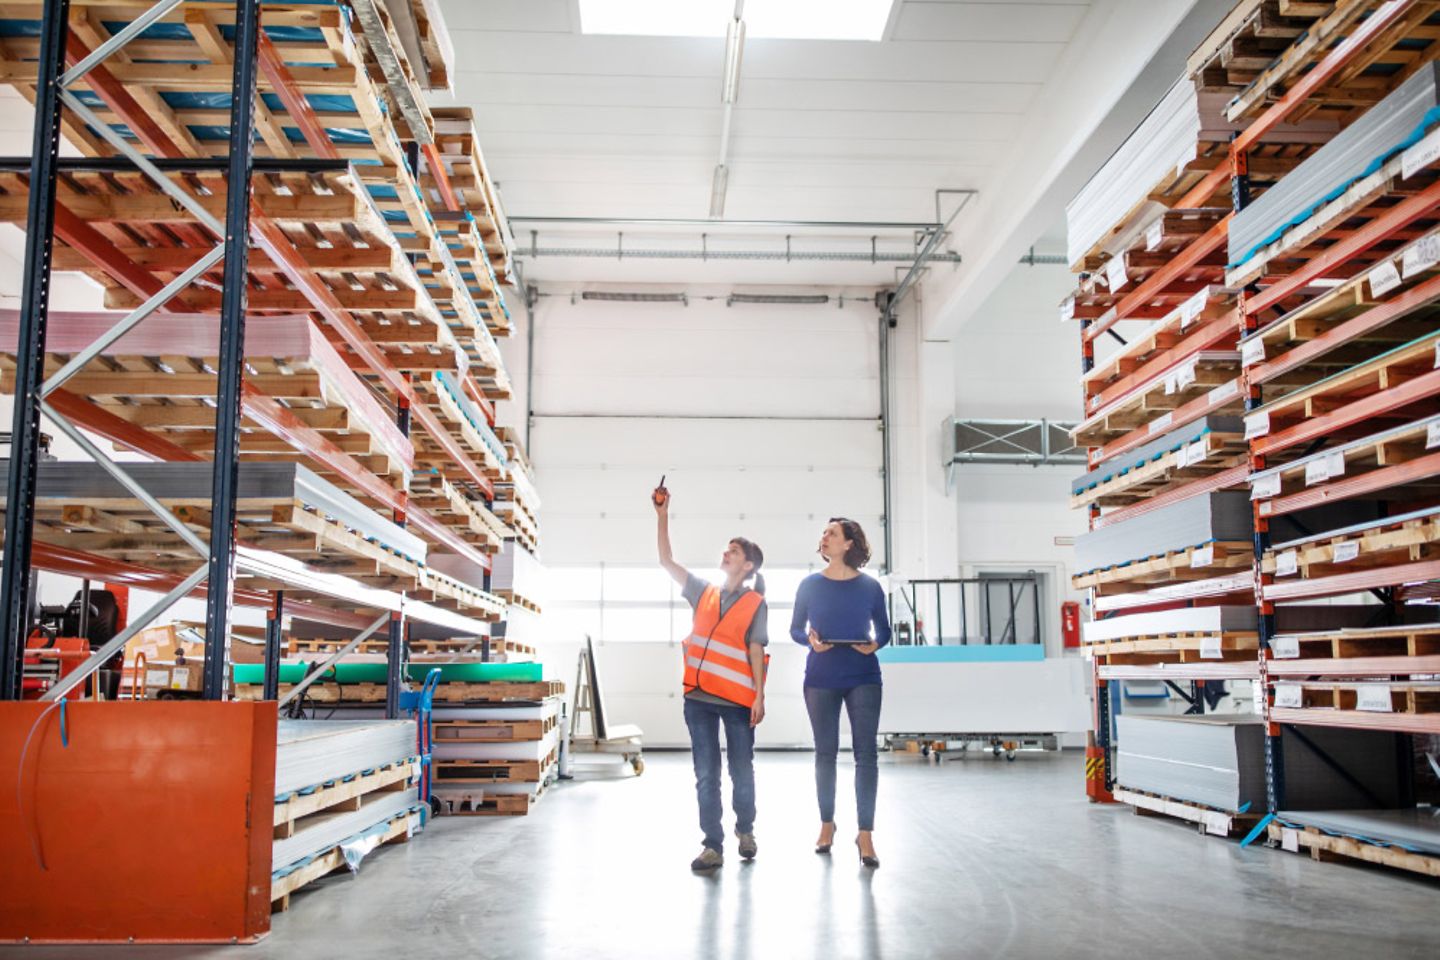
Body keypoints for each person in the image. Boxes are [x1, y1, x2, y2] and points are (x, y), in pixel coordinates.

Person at [654, 480, 770, 873]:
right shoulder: (702, 591)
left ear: (748, 565)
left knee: (741, 770)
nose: (726, 553)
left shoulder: (755, 603)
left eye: (733, 551)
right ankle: (712, 846)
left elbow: (756, 649)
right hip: (699, 700)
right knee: (706, 774)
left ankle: (746, 829)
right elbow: (667, 562)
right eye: (727, 549)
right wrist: (663, 515)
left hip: (738, 702)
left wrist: (759, 696)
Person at [790, 517, 891, 869]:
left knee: (867, 755)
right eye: (824, 533)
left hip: (863, 674)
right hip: (820, 676)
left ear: (849, 544)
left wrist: (875, 644)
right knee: (825, 754)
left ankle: (865, 833)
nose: (825, 537)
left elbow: (885, 630)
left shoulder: (870, 587)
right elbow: (795, 631)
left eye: (832, 533)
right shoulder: (809, 585)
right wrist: (811, 641)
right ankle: (826, 824)